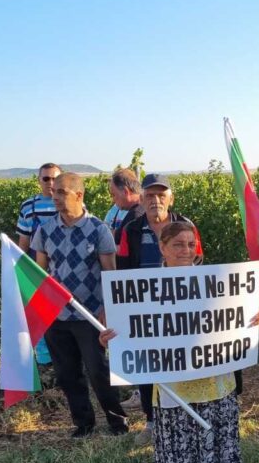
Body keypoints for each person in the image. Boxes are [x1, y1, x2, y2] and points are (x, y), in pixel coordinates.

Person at [100, 222, 259, 463]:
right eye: (177, 244)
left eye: (190, 244)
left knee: (217, 434)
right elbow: (132, 329)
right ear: (162, 248)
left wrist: (251, 318)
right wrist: (111, 338)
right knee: (176, 440)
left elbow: (232, 318)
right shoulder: (145, 287)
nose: (185, 250)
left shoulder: (217, 282)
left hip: (216, 379)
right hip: (174, 385)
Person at [31, 172, 127, 438]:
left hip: (90, 316)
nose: (55, 196)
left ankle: (117, 421)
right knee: (67, 373)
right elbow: (40, 272)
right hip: (57, 316)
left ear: (79, 195)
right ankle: (83, 423)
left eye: (62, 192)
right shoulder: (45, 229)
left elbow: (110, 273)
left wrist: (108, 310)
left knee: (98, 371)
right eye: (54, 192)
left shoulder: (98, 230)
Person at [115, 174, 202, 443]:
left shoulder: (186, 226)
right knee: (148, 366)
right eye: (150, 196)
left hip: (181, 307)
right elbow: (123, 269)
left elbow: (198, 264)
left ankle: (185, 414)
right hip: (144, 309)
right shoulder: (130, 229)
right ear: (141, 199)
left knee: (182, 360)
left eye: (161, 195)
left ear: (170, 199)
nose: (155, 201)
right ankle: (152, 421)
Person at [17, 163, 62, 366]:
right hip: (37, 268)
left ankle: (65, 357)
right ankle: (45, 361)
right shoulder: (29, 207)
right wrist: (20, 270)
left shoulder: (70, 204)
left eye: (55, 178)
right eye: (46, 179)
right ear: (39, 181)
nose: (51, 183)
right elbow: (24, 242)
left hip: (64, 268)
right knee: (39, 312)